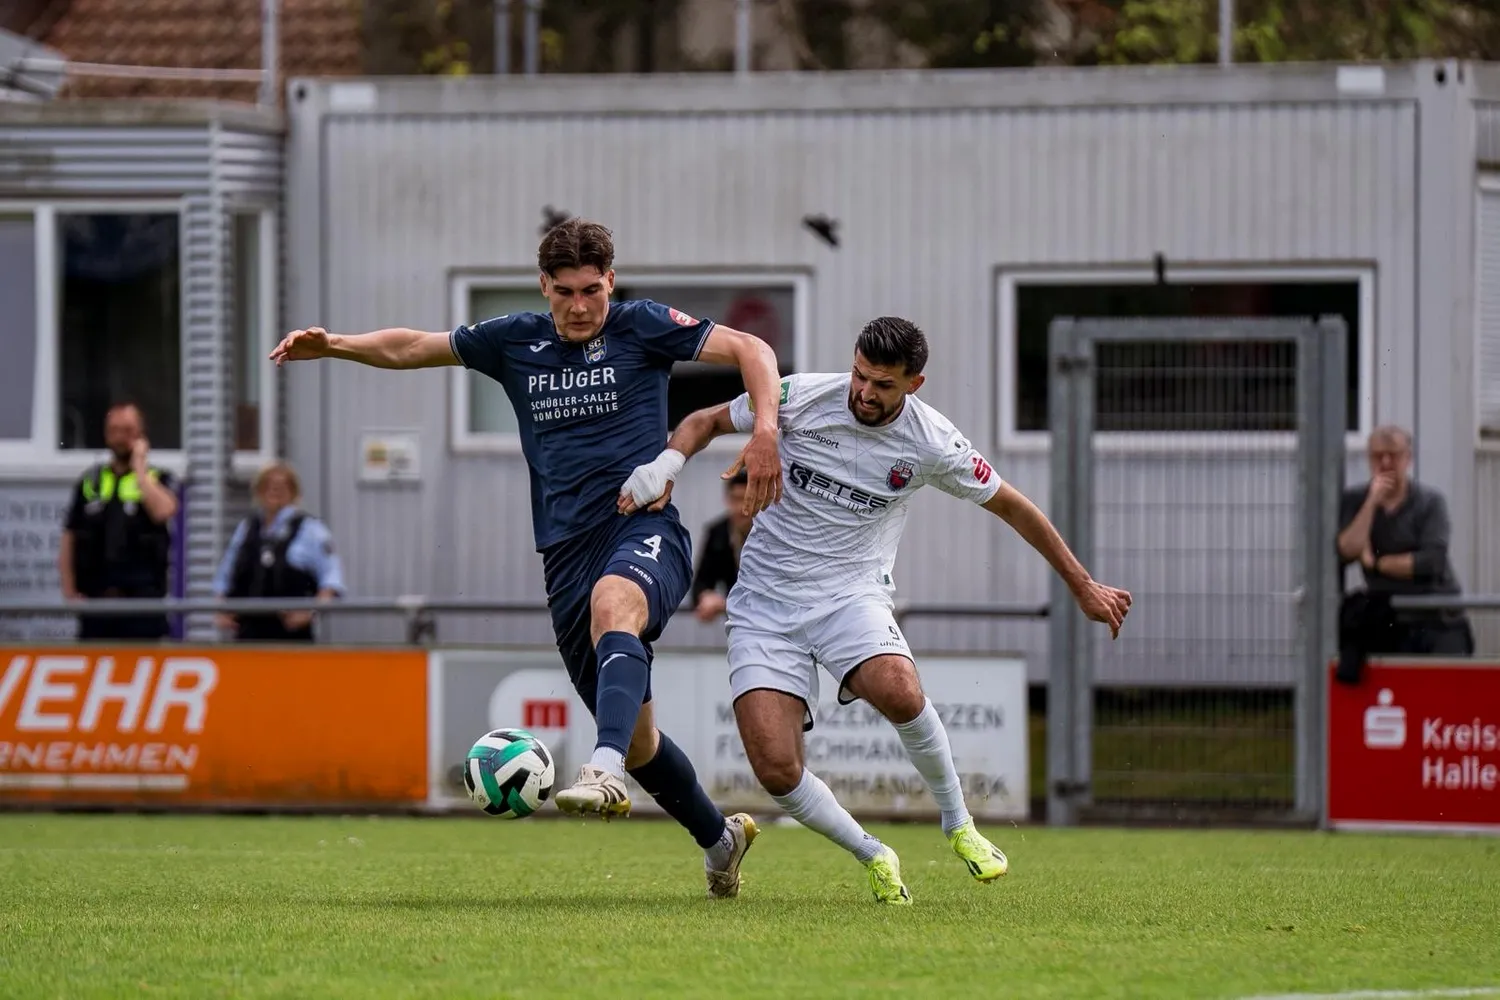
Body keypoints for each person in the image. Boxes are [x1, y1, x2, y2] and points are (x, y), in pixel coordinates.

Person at [270, 218, 785, 899]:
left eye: (593, 291)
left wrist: (766, 431)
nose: (580, 306)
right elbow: (413, 347)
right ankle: (720, 840)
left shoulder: (643, 325)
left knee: (616, 607)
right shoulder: (513, 340)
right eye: (566, 291)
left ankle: (599, 770)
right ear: (544, 286)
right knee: (641, 742)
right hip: (564, 555)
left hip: (644, 531)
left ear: (611, 280)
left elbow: (753, 347)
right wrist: (334, 345)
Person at [618, 316, 1132, 905]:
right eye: (860, 375)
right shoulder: (802, 397)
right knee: (776, 770)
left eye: (882, 384)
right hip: (763, 605)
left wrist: (1083, 585)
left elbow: (1015, 508)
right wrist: (669, 466)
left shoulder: (933, 442)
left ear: (914, 384)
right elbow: (703, 421)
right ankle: (874, 854)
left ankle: (959, 824)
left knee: (899, 689)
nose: (863, 392)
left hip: (850, 594)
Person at [1336, 424, 1473, 656]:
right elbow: (1347, 550)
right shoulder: (1355, 500)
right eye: (1378, 456)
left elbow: (1430, 563)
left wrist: (1376, 564)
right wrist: (1371, 503)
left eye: (1394, 455)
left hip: (1436, 616)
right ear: (1369, 459)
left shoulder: (1429, 502)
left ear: (1408, 459)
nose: (1386, 463)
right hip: (1388, 617)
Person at [59, 402, 180, 641]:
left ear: (140, 435)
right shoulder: (90, 481)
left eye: (127, 430)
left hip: (142, 605)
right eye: (114, 430)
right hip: (96, 603)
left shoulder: (156, 478)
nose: (120, 437)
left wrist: (139, 468)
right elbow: (69, 536)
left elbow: (164, 511)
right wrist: (70, 589)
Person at [213, 461, 345, 642]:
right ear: (258, 491)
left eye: (281, 486)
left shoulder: (310, 530)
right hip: (247, 634)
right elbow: (225, 574)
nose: (274, 491)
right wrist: (222, 608)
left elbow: (331, 579)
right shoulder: (246, 529)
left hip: (291, 636)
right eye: (267, 485)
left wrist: (311, 612)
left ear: (293, 492)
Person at [689, 469, 751, 622]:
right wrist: (705, 596)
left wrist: (724, 603)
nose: (741, 508)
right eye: (736, 499)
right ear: (727, 499)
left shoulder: (771, 533)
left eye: (747, 499)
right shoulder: (717, 532)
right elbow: (702, 581)